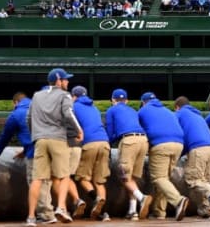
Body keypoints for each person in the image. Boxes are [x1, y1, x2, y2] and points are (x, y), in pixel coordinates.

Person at [25, 69, 84, 226]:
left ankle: (31, 217)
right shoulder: (64, 95)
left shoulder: (37, 95)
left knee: (37, 179)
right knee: (64, 175)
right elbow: (68, 113)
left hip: (40, 140)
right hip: (58, 138)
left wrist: (35, 134)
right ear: (58, 81)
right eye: (65, 79)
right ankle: (61, 208)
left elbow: (28, 118)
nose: (67, 82)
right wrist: (79, 130)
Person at [0, 92, 54, 224]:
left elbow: (5, 136)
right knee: (46, 182)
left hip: (35, 152)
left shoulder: (16, 114)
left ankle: (46, 214)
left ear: (15, 102)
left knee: (36, 182)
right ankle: (49, 212)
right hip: (51, 148)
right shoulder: (40, 109)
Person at [138, 92, 189, 221]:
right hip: (178, 145)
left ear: (143, 102)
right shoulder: (167, 110)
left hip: (161, 144)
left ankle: (178, 200)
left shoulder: (143, 111)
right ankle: (160, 212)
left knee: (159, 178)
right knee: (164, 179)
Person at [105, 89, 152, 221]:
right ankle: (133, 211)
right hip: (144, 141)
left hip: (129, 140)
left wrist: (109, 143)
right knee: (133, 178)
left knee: (124, 175)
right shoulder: (132, 110)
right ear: (126, 100)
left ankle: (142, 197)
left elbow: (110, 132)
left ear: (113, 100)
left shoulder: (111, 110)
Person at [174, 96, 210, 218]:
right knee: (204, 181)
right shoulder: (197, 115)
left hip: (198, 148)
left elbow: (179, 136)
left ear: (177, 107)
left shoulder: (179, 114)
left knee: (193, 180)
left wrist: (177, 156)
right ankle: (208, 211)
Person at [70, 86, 111, 220]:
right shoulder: (94, 107)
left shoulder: (74, 106)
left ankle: (96, 198)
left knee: (82, 177)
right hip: (104, 142)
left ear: (74, 96)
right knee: (99, 181)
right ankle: (104, 213)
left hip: (89, 143)